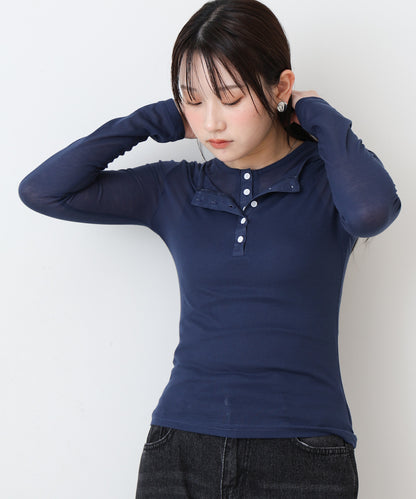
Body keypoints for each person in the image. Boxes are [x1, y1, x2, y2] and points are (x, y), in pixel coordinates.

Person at [18, 0, 401, 497]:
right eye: (193, 100)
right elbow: (43, 191)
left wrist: (315, 111)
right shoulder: (176, 188)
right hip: (179, 446)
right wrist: (150, 120)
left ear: (279, 87)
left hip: (304, 451)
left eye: (230, 97)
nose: (211, 122)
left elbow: (372, 212)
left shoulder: (330, 180)